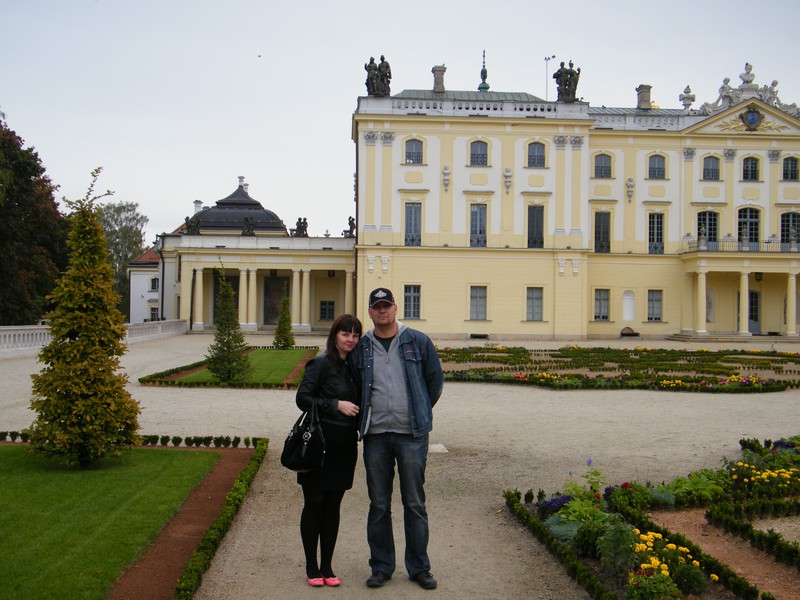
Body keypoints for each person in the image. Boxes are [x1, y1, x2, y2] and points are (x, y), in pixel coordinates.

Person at [349, 287, 444, 590]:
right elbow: (353, 384)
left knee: (414, 503)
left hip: (411, 434)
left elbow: (434, 381)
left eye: (386, 305)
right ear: (370, 312)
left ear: (395, 308)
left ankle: (419, 567)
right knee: (379, 504)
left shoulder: (417, 340)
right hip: (376, 434)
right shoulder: (362, 346)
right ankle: (381, 566)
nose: (382, 311)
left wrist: (418, 409)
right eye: (376, 307)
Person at [295, 314, 363, 587]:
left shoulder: (354, 368)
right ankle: (312, 566)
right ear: (335, 335)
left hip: (344, 446)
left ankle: (327, 565)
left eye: (355, 335)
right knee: (314, 503)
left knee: (333, 505)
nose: (351, 339)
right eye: (346, 334)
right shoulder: (321, 364)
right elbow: (302, 398)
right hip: (320, 445)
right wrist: (335, 404)